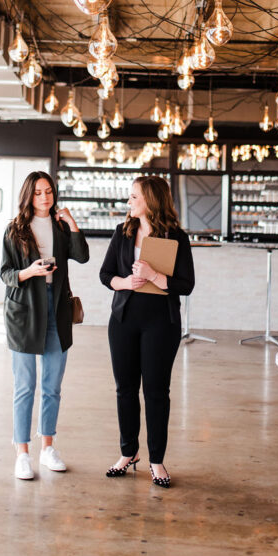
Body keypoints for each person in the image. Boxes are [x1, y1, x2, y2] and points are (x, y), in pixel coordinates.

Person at [99, 175, 194, 488]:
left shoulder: (177, 237)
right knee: (125, 389)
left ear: (151, 201)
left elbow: (186, 285)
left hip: (161, 323)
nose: (129, 202)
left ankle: (156, 460)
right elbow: (105, 274)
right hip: (123, 319)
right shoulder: (122, 232)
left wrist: (153, 275)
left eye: (134, 197)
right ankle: (128, 453)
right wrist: (125, 282)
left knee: (156, 392)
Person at [0, 170, 89, 480]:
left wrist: (72, 223)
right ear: (29, 195)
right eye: (38, 192)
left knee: (52, 386)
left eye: (48, 191)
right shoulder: (15, 229)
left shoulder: (61, 226)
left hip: (57, 308)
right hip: (25, 310)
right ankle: (22, 453)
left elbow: (82, 256)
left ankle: (47, 448)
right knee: (25, 386)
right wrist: (30, 272)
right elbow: (6, 274)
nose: (44, 197)